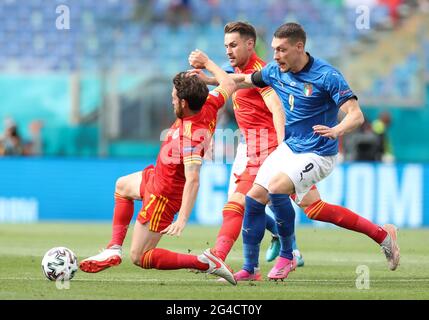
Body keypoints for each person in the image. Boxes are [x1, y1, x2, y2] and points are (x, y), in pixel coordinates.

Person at [191, 22, 400, 281]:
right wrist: (211, 79)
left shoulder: (326, 75)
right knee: (254, 199)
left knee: (277, 187)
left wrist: (337, 130)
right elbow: (245, 80)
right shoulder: (277, 71)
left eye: (281, 50)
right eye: (274, 49)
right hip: (291, 148)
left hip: (318, 152)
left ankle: (288, 255)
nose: (276, 55)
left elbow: (356, 116)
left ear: (299, 47)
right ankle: (250, 268)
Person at [79, 59, 238, 285]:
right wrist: (208, 64)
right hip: (157, 175)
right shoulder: (209, 102)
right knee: (122, 185)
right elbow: (229, 84)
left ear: (183, 102)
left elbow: (193, 179)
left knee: (139, 256)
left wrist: (182, 218)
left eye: (173, 97)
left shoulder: (191, 137)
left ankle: (205, 262)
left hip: (164, 193)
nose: (171, 100)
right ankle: (113, 249)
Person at [190, 22, 303, 282]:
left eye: (233, 45)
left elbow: (277, 108)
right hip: (251, 150)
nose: (228, 51)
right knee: (247, 205)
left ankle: (221, 256)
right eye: (226, 46)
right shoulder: (242, 72)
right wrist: (207, 79)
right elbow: (232, 81)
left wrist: (281, 147)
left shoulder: (262, 71)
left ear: (250, 44)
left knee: (238, 205)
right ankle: (260, 262)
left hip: (269, 149)